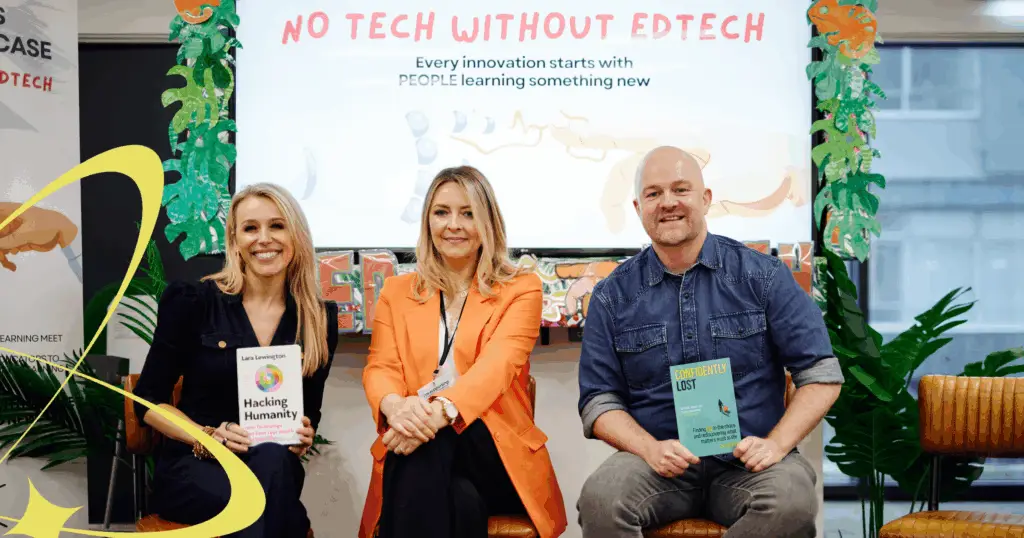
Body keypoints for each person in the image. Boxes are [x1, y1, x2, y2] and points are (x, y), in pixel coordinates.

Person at [576, 146, 843, 537]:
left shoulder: (763, 277)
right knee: (601, 497)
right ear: (637, 206)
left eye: (681, 189)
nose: (668, 203)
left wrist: (776, 445)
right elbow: (599, 401)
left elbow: (821, 375)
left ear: (705, 199)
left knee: (790, 501)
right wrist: (650, 449)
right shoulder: (611, 296)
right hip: (656, 467)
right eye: (653, 194)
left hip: (750, 464)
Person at [358, 165, 568, 538]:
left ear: (488, 222)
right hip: (427, 452)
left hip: (496, 454)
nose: (453, 224)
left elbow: (496, 370)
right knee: (459, 499)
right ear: (427, 222)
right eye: (442, 212)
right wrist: (395, 406)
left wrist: (432, 414)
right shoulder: (396, 291)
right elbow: (381, 367)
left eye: (468, 213)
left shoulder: (521, 289)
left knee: (429, 441)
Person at [132, 183, 338, 538]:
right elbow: (147, 401)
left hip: (272, 464)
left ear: (296, 235)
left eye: (277, 226)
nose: (264, 239)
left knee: (272, 468)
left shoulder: (317, 319)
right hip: (197, 466)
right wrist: (209, 437)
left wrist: (303, 434)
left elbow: (309, 412)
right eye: (250, 228)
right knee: (273, 507)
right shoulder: (193, 302)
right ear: (234, 238)